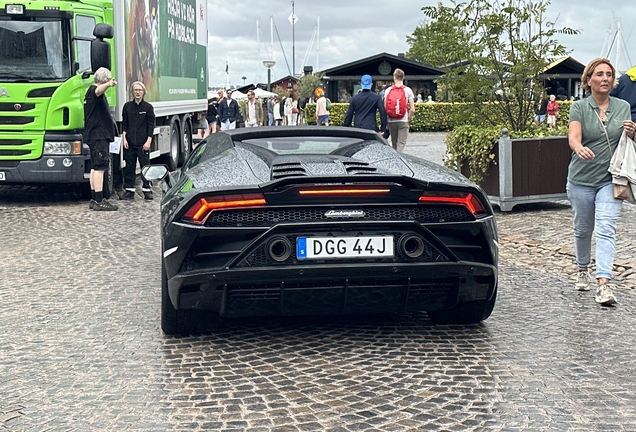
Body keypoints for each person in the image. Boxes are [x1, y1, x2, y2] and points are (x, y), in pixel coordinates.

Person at [567, 57, 635, 305]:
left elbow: (628, 143)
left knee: (606, 229)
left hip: (611, 179)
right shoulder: (579, 108)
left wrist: (632, 133)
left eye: (609, 74)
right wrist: (579, 148)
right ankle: (582, 268)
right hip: (581, 179)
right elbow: (573, 137)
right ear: (588, 80)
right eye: (599, 74)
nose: (605, 78)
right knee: (583, 230)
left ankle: (604, 284)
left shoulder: (623, 106)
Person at [84, 67, 118, 211]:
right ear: (104, 80)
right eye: (108, 79)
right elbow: (99, 91)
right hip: (99, 135)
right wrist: (109, 84)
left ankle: (93, 198)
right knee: (100, 167)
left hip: (94, 135)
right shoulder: (93, 91)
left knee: (94, 167)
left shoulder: (89, 93)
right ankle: (99, 200)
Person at [121, 81, 155, 201]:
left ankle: (147, 190)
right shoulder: (127, 107)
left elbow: (151, 126)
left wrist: (148, 141)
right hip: (130, 143)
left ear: (144, 92)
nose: (138, 92)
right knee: (129, 167)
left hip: (142, 144)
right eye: (135, 90)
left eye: (140, 90)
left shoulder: (148, 108)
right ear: (132, 92)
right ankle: (129, 191)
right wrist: (124, 139)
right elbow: (124, 124)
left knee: (145, 167)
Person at [384, 68, 415, 153]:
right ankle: (400, 161)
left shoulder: (388, 90)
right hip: (403, 120)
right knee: (401, 143)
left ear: (394, 77)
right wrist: (408, 119)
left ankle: (394, 161)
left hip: (391, 120)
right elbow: (412, 109)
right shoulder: (408, 90)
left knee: (394, 143)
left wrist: (386, 122)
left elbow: (385, 107)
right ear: (403, 77)